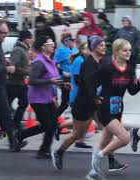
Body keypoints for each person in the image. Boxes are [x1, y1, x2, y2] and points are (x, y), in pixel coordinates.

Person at [51, 36, 109, 171]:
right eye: (101, 45)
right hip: (83, 104)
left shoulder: (100, 62)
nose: (104, 47)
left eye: (104, 45)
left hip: (95, 104)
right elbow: (87, 85)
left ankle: (110, 160)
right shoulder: (86, 64)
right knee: (77, 134)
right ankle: (58, 153)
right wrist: (96, 98)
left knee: (108, 129)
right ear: (93, 48)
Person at [90, 39, 140, 179]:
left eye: (129, 50)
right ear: (116, 51)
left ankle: (93, 172)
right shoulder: (107, 67)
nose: (128, 53)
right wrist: (95, 99)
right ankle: (100, 156)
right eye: (124, 50)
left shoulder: (130, 69)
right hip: (105, 108)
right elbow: (91, 82)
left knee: (105, 140)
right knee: (124, 138)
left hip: (118, 108)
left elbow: (131, 90)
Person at [13, 36, 71, 158]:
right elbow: (32, 80)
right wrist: (50, 81)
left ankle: (43, 149)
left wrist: (63, 84)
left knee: (54, 124)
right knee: (47, 125)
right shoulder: (39, 62)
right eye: (50, 44)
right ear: (43, 47)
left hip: (48, 97)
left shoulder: (51, 61)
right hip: (37, 99)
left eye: (53, 43)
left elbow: (54, 79)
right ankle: (22, 137)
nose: (53, 45)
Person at [0, 19, 18, 151]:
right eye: (3, 33)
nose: (6, 35)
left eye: (7, 33)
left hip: (1, 85)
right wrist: (6, 69)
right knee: (6, 114)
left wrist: (5, 61)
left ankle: (13, 141)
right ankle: (13, 143)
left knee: (5, 114)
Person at [6, 30, 32, 131]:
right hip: (13, 83)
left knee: (24, 102)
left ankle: (15, 123)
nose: (31, 40)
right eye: (30, 38)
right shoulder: (18, 49)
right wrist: (27, 72)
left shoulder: (24, 49)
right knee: (7, 106)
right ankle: (10, 125)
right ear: (25, 38)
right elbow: (14, 66)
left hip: (20, 82)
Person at [54, 32, 77, 119]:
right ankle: (53, 119)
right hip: (65, 80)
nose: (73, 42)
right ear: (66, 41)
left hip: (74, 79)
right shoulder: (61, 51)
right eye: (72, 40)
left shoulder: (75, 50)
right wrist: (62, 72)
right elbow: (54, 64)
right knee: (65, 103)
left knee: (73, 101)